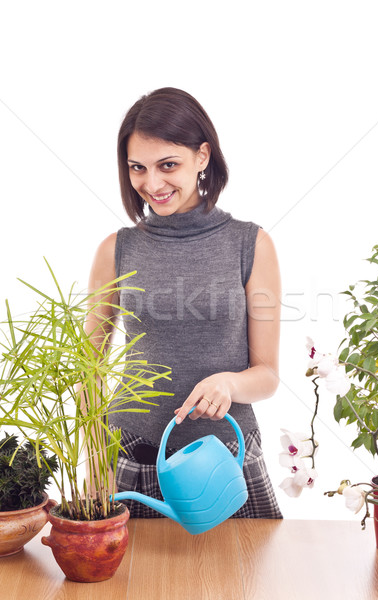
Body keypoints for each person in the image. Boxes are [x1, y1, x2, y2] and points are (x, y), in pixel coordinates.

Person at [86, 87, 282, 519]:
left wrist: (229, 384)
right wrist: (93, 465)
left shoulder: (251, 245)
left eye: (167, 165)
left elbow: (267, 375)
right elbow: (88, 370)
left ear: (203, 157)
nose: (151, 184)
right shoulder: (115, 250)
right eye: (138, 168)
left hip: (226, 462)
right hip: (131, 459)